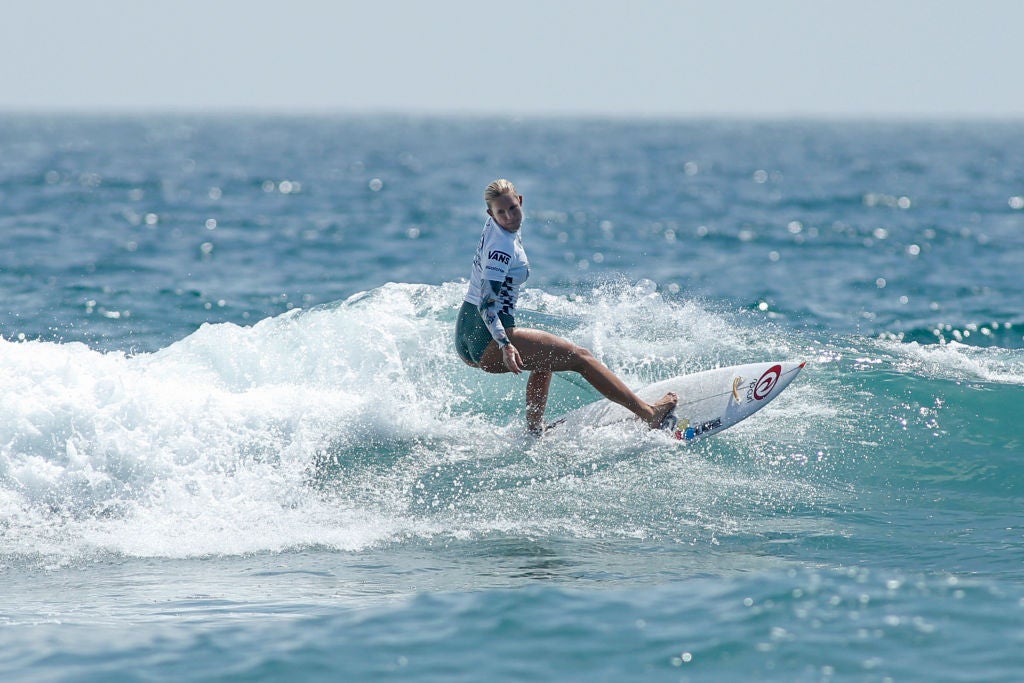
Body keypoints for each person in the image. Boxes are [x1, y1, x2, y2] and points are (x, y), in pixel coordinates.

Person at [454, 178, 678, 434]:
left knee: (546, 356)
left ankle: (535, 429)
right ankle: (650, 414)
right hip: (487, 337)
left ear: (521, 201)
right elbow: (487, 304)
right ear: (490, 213)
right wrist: (505, 345)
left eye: (512, 209)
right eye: (500, 213)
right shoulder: (502, 247)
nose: (508, 217)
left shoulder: (494, 227)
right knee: (580, 357)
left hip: (465, 333)